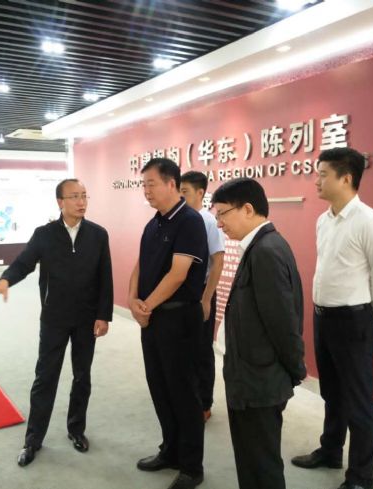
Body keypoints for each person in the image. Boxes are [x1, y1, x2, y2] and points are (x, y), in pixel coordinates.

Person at [0, 179, 113, 467]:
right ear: (60, 202)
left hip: (86, 319)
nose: (81, 202)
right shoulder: (44, 234)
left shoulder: (98, 234)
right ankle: (33, 440)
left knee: (82, 376)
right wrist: (5, 280)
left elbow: (105, 276)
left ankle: (76, 429)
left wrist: (103, 315)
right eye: (74, 196)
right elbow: (24, 263)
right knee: (45, 377)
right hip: (54, 317)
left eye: (84, 196)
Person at [291, 147, 373, 489]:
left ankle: (361, 477)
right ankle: (331, 450)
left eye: (323, 174)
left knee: (358, 400)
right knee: (332, 392)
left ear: (346, 178)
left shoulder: (369, 222)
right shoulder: (324, 220)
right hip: (324, 317)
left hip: (353, 321)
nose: (316, 181)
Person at [211, 178, 306, 489]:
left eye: (223, 213)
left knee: (261, 465)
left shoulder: (266, 251)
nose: (219, 223)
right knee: (251, 460)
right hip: (251, 377)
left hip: (260, 382)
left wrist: (295, 370)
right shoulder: (260, 246)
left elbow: (283, 324)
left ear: (248, 209)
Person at [129, 158, 208, 489]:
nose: (146, 190)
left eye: (151, 184)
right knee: (159, 386)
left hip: (179, 318)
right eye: (143, 185)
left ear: (172, 184)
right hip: (153, 319)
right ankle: (170, 451)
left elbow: (178, 274)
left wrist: (146, 305)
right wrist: (132, 300)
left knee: (183, 391)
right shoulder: (154, 223)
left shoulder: (189, 221)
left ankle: (191, 466)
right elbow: (140, 265)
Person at [180, 171, 225, 421]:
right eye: (179, 191)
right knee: (185, 349)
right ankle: (188, 398)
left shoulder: (208, 221)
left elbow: (218, 262)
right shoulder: (181, 220)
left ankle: (204, 403)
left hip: (202, 293)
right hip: (183, 294)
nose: (180, 196)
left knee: (202, 350)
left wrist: (206, 299)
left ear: (200, 193)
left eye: (185, 192)